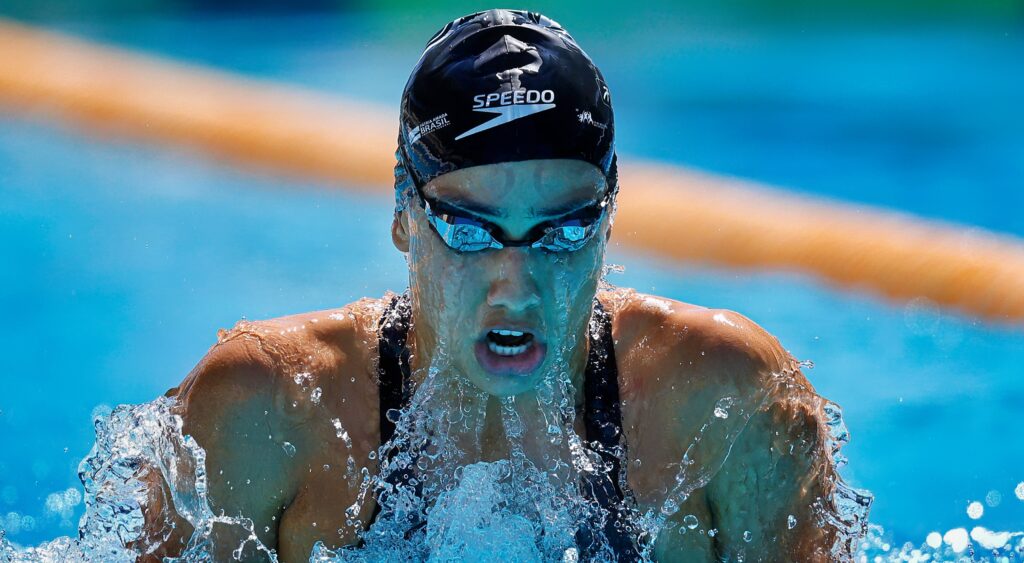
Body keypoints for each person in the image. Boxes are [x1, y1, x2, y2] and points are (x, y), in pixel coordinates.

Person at [137, 9, 862, 562]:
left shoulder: (725, 406)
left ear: (610, 219)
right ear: (403, 214)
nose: (516, 284)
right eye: (472, 230)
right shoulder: (265, 412)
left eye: (563, 230)